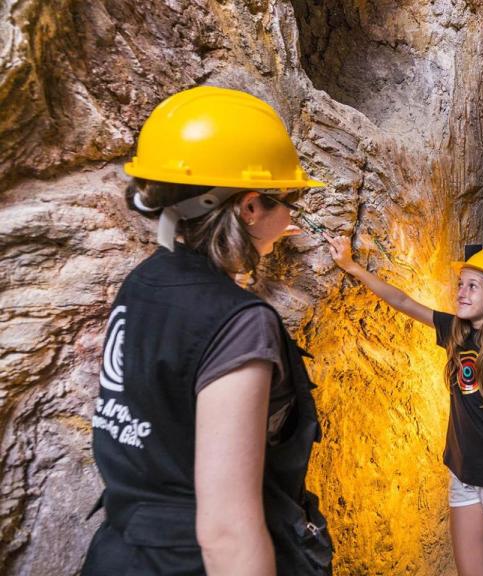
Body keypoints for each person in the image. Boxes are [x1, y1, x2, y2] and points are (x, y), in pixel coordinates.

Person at [82, 86, 333, 575]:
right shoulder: (239, 325)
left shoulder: (141, 285)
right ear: (250, 207)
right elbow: (226, 531)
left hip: (119, 553)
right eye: (290, 200)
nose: (291, 219)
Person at [327, 236, 483, 576]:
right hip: (463, 472)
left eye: (473, 286)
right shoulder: (456, 330)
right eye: (460, 285)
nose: (461, 293)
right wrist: (351, 266)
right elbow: (403, 301)